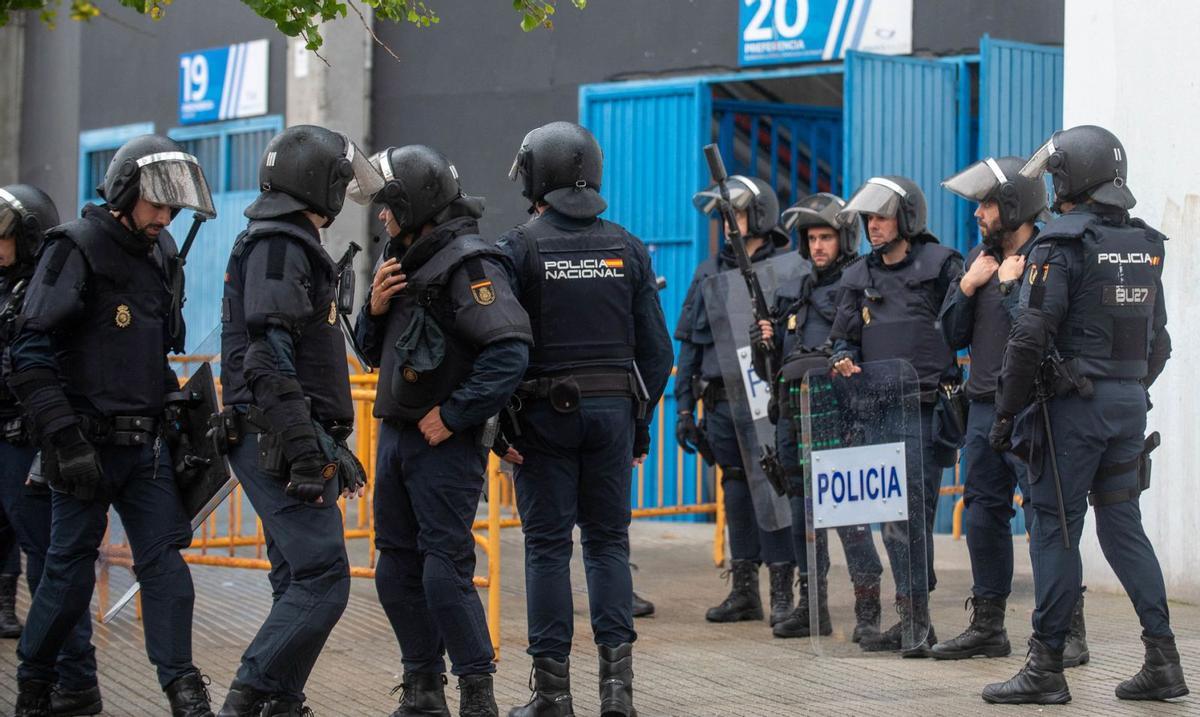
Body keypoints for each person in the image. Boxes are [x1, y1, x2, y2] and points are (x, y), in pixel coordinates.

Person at [7, 137, 216, 716]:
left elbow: (150, 355)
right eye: (156, 204)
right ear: (124, 191)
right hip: (85, 449)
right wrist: (65, 441)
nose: (164, 217)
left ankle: (183, 688)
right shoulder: (75, 247)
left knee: (166, 566)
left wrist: (183, 416)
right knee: (67, 578)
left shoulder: (159, 253)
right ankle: (33, 683)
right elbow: (29, 352)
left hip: (143, 448)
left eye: (172, 208)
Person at [984, 125, 1187, 704]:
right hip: (1126, 407)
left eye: (1055, 174)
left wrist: (1005, 413)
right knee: (1123, 529)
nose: (1051, 183)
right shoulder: (1146, 243)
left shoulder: (1059, 245)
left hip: (1073, 413)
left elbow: (1027, 339)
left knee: (1054, 528)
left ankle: (1046, 666)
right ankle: (1164, 662)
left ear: (1075, 176)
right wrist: (1127, 387)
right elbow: (1160, 343)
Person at [498, 121, 673, 717]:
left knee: (546, 548)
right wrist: (637, 424)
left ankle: (552, 697)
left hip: (542, 421)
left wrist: (503, 428)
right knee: (608, 546)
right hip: (612, 416)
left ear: (536, 177)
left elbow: (498, 348)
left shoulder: (517, 248)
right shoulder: (626, 247)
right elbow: (658, 353)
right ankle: (618, 695)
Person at [356, 144, 532, 717]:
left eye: (388, 206)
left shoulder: (469, 262)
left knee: (443, 572)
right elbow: (369, 354)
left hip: (443, 444)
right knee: (394, 569)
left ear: (417, 204)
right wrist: (373, 311)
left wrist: (453, 415)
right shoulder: (402, 258)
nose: (381, 216)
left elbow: (509, 351)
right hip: (398, 437)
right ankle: (423, 688)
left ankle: (477, 693)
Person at [217, 125, 380, 716]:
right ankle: (249, 695)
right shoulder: (281, 244)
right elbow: (267, 355)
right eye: (339, 179)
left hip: (282, 435)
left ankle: (280, 703)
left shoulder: (282, 242)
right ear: (321, 184)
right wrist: (306, 449)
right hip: (279, 440)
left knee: (296, 580)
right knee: (323, 580)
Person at [933, 156, 1093, 664]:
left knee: (1049, 522)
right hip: (982, 409)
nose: (978, 214)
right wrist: (967, 287)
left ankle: (1068, 631)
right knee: (982, 515)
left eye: (985, 204)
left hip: (1036, 410)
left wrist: (1008, 286)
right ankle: (987, 625)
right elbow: (951, 336)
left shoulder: (1051, 257)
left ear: (1013, 206)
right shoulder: (977, 262)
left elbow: (1040, 330)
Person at [829, 176, 964, 657]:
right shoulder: (857, 277)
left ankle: (918, 621)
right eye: (868, 219)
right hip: (875, 411)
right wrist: (841, 358)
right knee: (890, 517)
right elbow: (842, 337)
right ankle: (911, 617)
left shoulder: (941, 266)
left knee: (912, 517)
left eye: (881, 217)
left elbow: (964, 324)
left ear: (907, 218)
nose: (872, 227)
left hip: (925, 410)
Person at [753, 193, 884, 641]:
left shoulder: (858, 284)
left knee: (848, 509)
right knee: (801, 510)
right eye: (811, 238)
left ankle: (868, 610)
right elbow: (767, 365)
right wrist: (762, 341)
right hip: (792, 407)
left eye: (826, 236)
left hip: (839, 407)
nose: (818, 246)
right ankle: (813, 606)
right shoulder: (795, 291)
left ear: (843, 236)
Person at [0, 184, 103, 716]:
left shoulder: (42, 292)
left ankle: (75, 679)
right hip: (10, 441)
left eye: (4, 232)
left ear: (28, 235)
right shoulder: (10, 286)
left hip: (29, 441)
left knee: (51, 569)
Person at [677, 174, 797, 630]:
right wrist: (685, 409)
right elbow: (689, 343)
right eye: (724, 216)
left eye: (738, 214)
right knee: (735, 491)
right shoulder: (708, 271)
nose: (728, 225)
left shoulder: (786, 270)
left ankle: (783, 593)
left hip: (769, 401)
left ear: (761, 216)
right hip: (721, 404)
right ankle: (744, 589)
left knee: (776, 491)